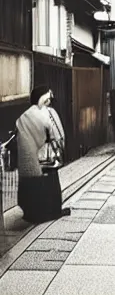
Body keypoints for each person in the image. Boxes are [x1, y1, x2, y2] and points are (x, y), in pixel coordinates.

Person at [16, 85, 70, 223]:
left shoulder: (23, 116)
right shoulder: (49, 112)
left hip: (28, 160)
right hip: (46, 157)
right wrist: (60, 148)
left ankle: (31, 214)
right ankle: (53, 212)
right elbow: (58, 134)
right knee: (51, 184)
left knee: (31, 186)